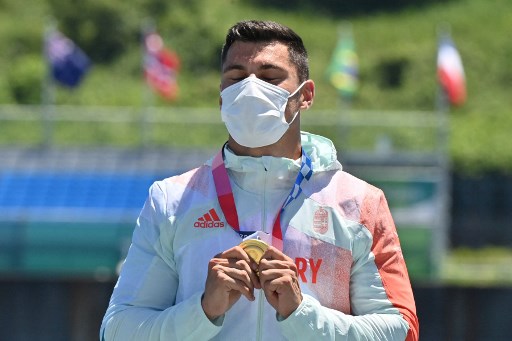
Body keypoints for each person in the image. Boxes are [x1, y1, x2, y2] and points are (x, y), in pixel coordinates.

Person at [100, 20, 419, 340]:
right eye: (237, 78)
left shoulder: (358, 202)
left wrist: (302, 316)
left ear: (305, 96)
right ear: (222, 97)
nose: (251, 88)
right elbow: (117, 331)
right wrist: (202, 311)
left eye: (269, 77)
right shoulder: (171, 200)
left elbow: (402, 331)